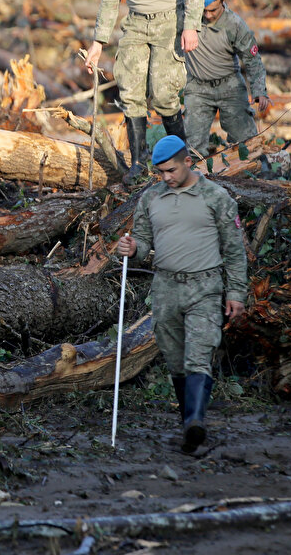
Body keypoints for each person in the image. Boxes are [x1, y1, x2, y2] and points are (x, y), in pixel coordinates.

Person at [116, 135, 248, 454]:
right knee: (175, 360)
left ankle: (195, 422)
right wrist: (133, 249)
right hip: (165, 287)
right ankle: (189, 420)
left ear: (188, 162)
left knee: (199, 353)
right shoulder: (151, 199)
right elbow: (144, 240)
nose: (166, 178)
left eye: (171, 170)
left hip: (205, 285)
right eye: (160, 172)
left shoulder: (216, 197)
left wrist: (236, 293)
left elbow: (234, 250)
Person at [85, 0, 205, 182]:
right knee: (130, 92)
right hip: (137, 24)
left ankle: (181, 159)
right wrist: (98, 42)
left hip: (168, 22)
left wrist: (191, 26)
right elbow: (109, 0)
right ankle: (138, 163)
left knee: (164, 94)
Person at [182, 0, 269, 160]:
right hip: (198, 88)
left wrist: (259, 90)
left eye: (212, 10)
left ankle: (261, 177)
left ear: (223, 1)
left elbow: (252, 60)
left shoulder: (234, 25)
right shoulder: (189, 17)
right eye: (203, 10)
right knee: (193, 148)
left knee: (247, 143)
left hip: (229, 85)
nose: (207, 15)